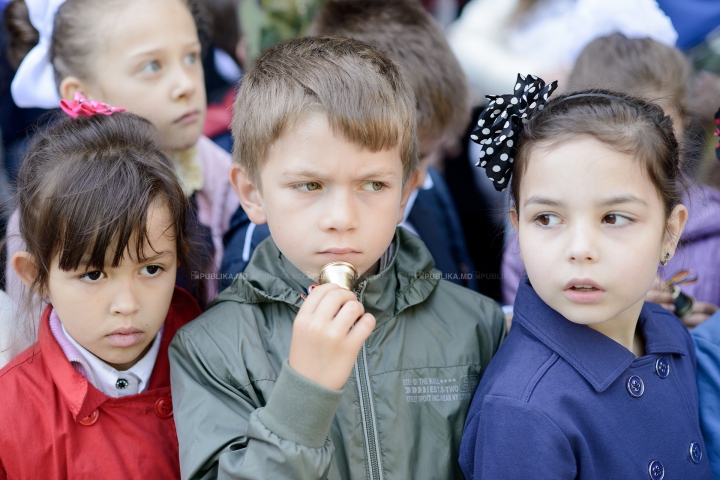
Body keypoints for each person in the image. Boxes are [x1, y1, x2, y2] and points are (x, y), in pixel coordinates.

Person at [169, 36, 506, 479]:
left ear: (407, 191)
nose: (342, 218)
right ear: (251, 193)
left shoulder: (476, 325)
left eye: (373, 185)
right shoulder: (209, 349)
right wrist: (304, 393)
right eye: (309, 186)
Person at [458, 76, 712, 478]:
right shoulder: (522, 411)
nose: (579, 248)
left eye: (613, 218)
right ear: (518, 229)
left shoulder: (670, 337)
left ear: (670, 231)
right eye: (547, 218)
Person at [221, 0, 478, 293]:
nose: (415, 176)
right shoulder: (254, 258)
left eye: (428, 156)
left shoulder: (429, 190)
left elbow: (461, 290)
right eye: (310, 185)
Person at [0, 109, 203, 478]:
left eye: (151, 269)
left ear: (178, 258)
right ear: (36, 276)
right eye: (93, 274)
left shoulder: (217, 360)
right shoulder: (10, 413)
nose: (127, 305)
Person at [3, 0, 239, 308]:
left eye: (191, 57)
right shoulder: (45, 212)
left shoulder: (224, 175)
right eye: (152, 66)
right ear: (80, 95)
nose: (186, 84)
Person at [501, 34, 720, 327]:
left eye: (655, 124)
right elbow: (526, 334)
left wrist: (708, 335)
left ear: (685, 121)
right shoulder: (532, 244)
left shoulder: (715, 231)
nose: (629, 148)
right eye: (602, 128)